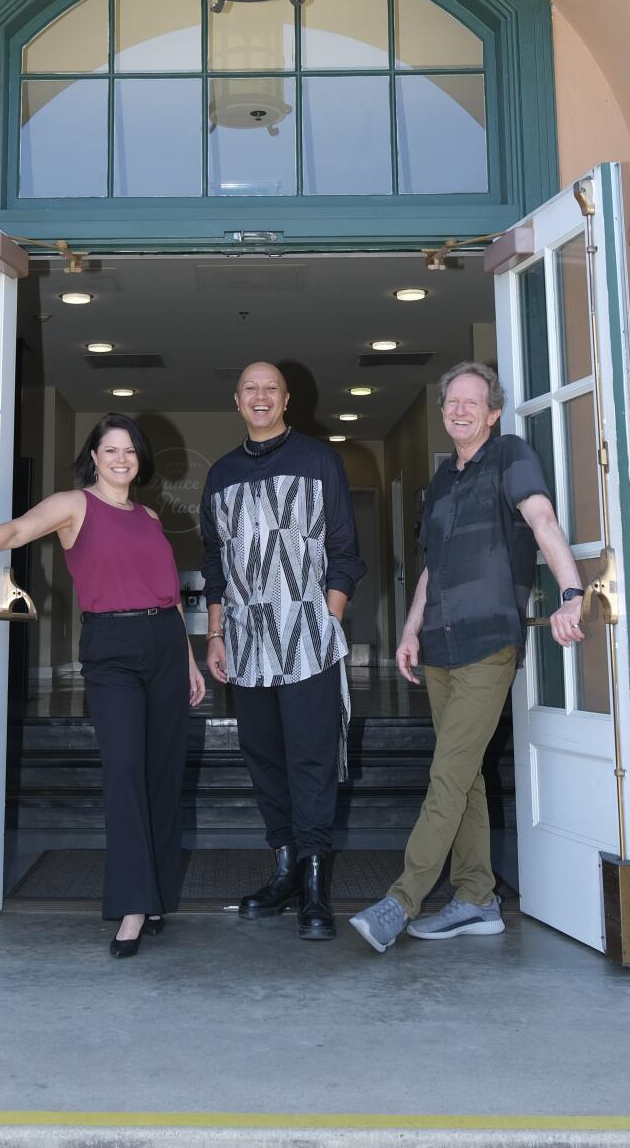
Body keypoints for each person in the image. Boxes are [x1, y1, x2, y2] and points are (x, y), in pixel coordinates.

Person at [0, 413, 206, 959]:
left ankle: (154, 899)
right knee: (124, 772)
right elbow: (16, 532)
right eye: (111, 450)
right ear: (94, 458)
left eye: (130, 451)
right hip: (112, 649)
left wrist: (190, 662)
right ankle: (130, 905)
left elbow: (170, 596)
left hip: (167, 648)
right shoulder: (74, 506)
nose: (122, 459)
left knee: (162, 775)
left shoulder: (150, 515)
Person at [350, 361, 586, 953]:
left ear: (493, 411)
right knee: (468, 775)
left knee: (448, 772)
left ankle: (400, 902)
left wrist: (572, 591)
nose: (459, 410)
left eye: (471, 402)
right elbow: (431, 568)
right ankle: (476, 898)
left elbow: (541, 519)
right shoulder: (442, 482)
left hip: (487, 644)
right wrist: (409, 629)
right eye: (451, 402)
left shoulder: (509, 455)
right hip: (439, 645)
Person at [202, 362, 365, 940]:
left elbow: (345, 551)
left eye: (271, 388)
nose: (261, 396)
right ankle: (284, 869)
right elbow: (215, 564)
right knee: (264, 759)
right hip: (246, 646)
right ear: (237, 400)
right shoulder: (220, 475)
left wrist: (326, 619)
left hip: (308, 644)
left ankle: (315, 881)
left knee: (312, 759)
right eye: (251, 388)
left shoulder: (321, 461)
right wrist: (216, 635)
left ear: (287, 398)